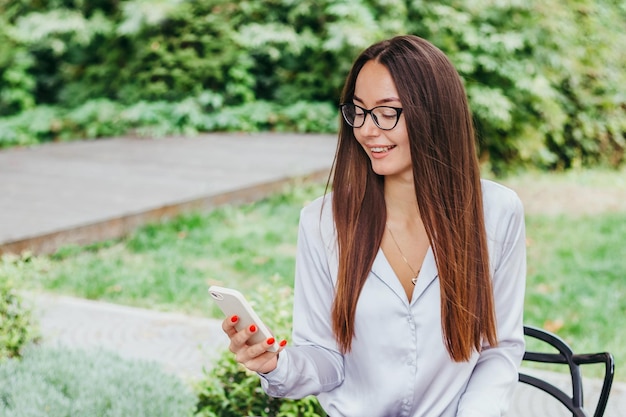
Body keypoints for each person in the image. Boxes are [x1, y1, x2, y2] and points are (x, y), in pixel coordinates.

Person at [221, 34, 526, 417]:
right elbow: (326, 359)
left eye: (387, 111)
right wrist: (275, 365)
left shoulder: (497, 212)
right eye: (359, 111)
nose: (366, 129)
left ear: (434, 114)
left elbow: (499, 349)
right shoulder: (322, 222)